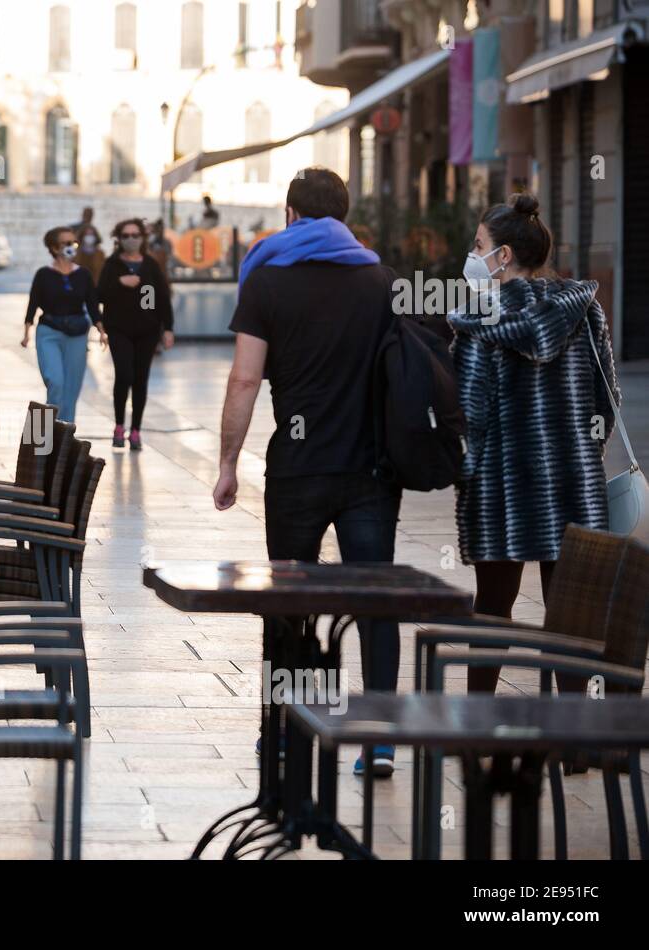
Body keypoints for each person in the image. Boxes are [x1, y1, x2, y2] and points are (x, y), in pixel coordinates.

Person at [212, 167, 402, 777]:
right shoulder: (383, 281)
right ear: (344, 215)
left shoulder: (267, 282)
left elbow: (245, 379)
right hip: (370, 470)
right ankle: (378, 738)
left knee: (290, 599)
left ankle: (290, 731)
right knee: (375, 597)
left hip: (297, 470)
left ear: (290, 214)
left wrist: (227, 464)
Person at [450, 193, 619, 694]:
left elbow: (471, 416)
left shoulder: (479, 322)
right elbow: (606, 400)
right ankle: (573, 741)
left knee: (493, 609)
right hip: (573, 485)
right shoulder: (585, 311)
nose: (473, 254)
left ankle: (478, 721)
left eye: (479, 245)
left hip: (504, 490)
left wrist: (468, 471)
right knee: (569, 613)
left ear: (503, 256)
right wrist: (583, 455)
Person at [97, 218, 174, 450]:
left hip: (147, 331)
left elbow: (161, 297)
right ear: (119, 239)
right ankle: (119, 425)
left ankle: (136, 430)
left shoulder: (150, 265)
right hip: (119, 329)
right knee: (124, 374)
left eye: (135, 235)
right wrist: (121, 283)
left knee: (141, 379)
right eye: (126, 236)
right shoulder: (112, 265)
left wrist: (168, 328)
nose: (131, 240)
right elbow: (99, 294)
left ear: (142, 238)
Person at [23, 226, 102, 424]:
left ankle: (65, 435)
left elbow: (92, 304)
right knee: (55, 381)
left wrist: (102, 330)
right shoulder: (43, 274)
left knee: (71, 389)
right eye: (65, 243)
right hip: (49, 331)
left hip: (77, 335)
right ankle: (48, 430)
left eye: (73, 243)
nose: (71, 247)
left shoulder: (83, 275)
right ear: (53, 247)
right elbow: (33, 303)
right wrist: (26, 332)